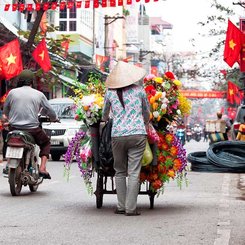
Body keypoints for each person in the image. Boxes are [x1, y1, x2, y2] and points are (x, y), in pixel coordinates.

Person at [102, 61, 150, 216]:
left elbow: (104, 115)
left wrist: (109, 118)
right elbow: (146, 112)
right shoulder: (140, 91)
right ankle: (131, 209)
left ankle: (121, 206)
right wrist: (145, 122)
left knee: (120, 171)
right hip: (137, 134)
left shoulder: (110, 93)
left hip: (117, 135)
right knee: (134, 172)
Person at [3, 69, 58, 179]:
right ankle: (42, 168)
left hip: (14, 128)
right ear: (32, 82)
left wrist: (10, 119)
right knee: (46, 143)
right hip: (32, 130)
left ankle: (8, 162)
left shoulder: (12, 93)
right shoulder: (39, 94)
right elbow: (51, 112)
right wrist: (54, 118)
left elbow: (6, 111)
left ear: (20, 80)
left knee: (8, 140)